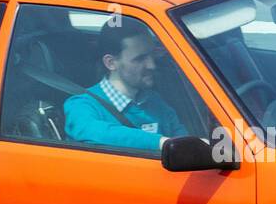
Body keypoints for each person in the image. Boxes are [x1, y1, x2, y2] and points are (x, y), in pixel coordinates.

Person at [63, 19, 186, 152]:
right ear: (111, 63)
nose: (152, 65)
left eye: (152, 54)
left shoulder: (154, 101)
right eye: (139, 59)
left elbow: (183, 140)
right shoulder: (81, 105)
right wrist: (162, 143)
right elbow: (92, 131)